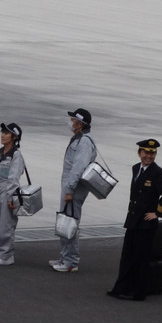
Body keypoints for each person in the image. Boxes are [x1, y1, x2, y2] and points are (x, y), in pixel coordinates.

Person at [109, 139, 162, 300]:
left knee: (140, 259)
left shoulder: (158, 173)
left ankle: (138, 292)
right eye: (146, 153)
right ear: (139, 153)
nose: (149, 156)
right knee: (127, 256)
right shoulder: (136, 168)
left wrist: (157, 213)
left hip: (146, 223)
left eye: (152, 153)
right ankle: (121, 287)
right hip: (133, 219)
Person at [52, 108, 97, 273]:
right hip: (70, 187)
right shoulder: (78, 139)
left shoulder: (84, 142)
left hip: (74, 189)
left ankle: (71, 262)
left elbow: (78, 167)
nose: (70, 122)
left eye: (73, 120)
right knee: (65, 221)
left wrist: (70, 190)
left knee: (70, 223)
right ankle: (65, 257)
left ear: (80, 124)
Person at [0, 122, 26, 266]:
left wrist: (11, 197)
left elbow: (14, 177)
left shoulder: (16, 155)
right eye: (2, 132)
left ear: (14, 137)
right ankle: (1, 251)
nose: (3, 135)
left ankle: (6, 255)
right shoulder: (0, 153)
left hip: (8, 191)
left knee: (6, 224)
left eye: (6, 133)